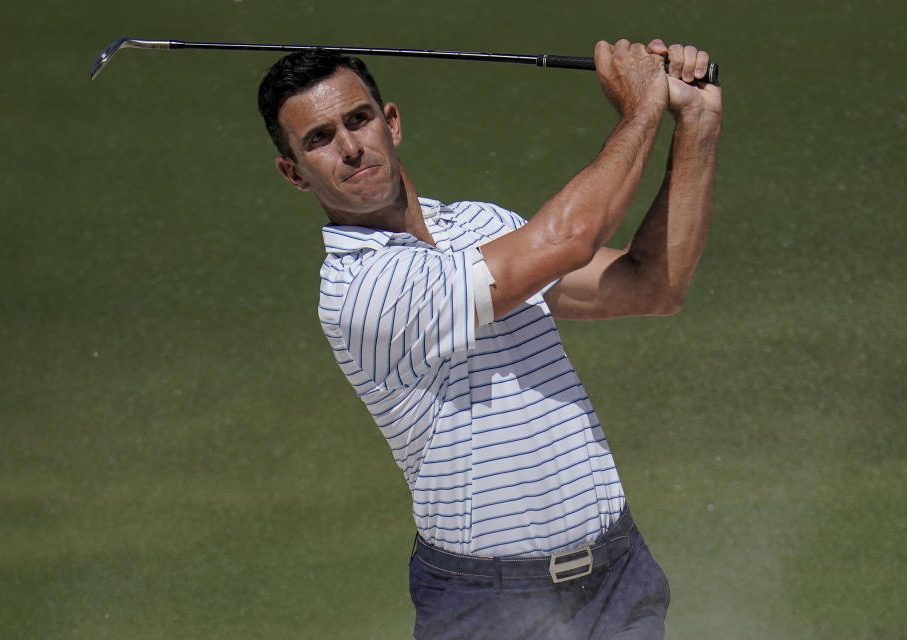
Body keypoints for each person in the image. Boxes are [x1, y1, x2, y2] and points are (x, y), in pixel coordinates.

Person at [257, 36, 721, 640]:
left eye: (358, 119)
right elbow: (571, 236)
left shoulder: (482, 226)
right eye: (319, 139)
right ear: (293, 173)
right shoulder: (359, 290)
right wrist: (641, 109)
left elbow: (651, 285)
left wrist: (698, 124)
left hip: (616, 578)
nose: (349, 148)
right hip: (491, 606)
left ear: (391, 122)